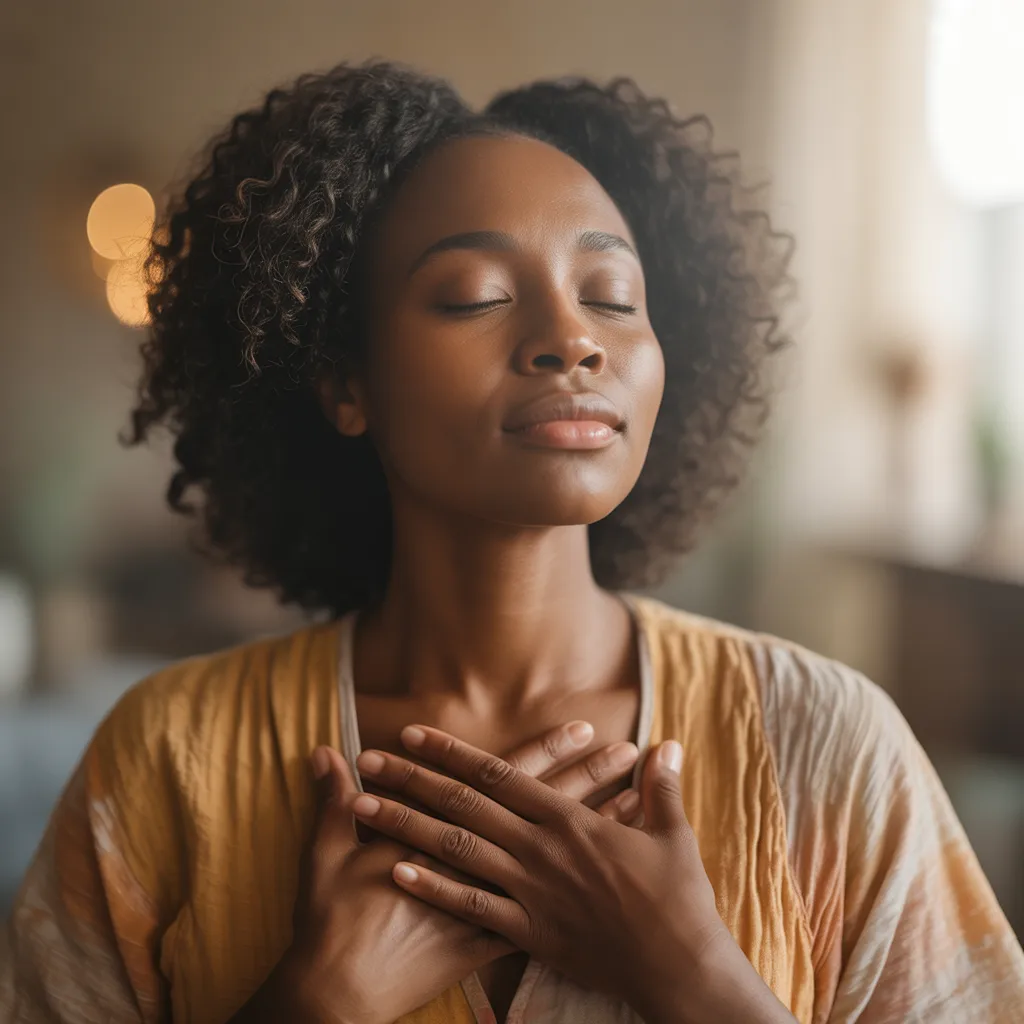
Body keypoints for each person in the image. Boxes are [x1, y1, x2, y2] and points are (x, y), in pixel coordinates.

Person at [2, 59, 1023, 1024]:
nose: (572, 337)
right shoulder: (163, 764)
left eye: (611, 297)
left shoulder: (827, 744)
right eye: (475, 296)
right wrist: (313, 999)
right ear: (344, 384)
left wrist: (696, 975)